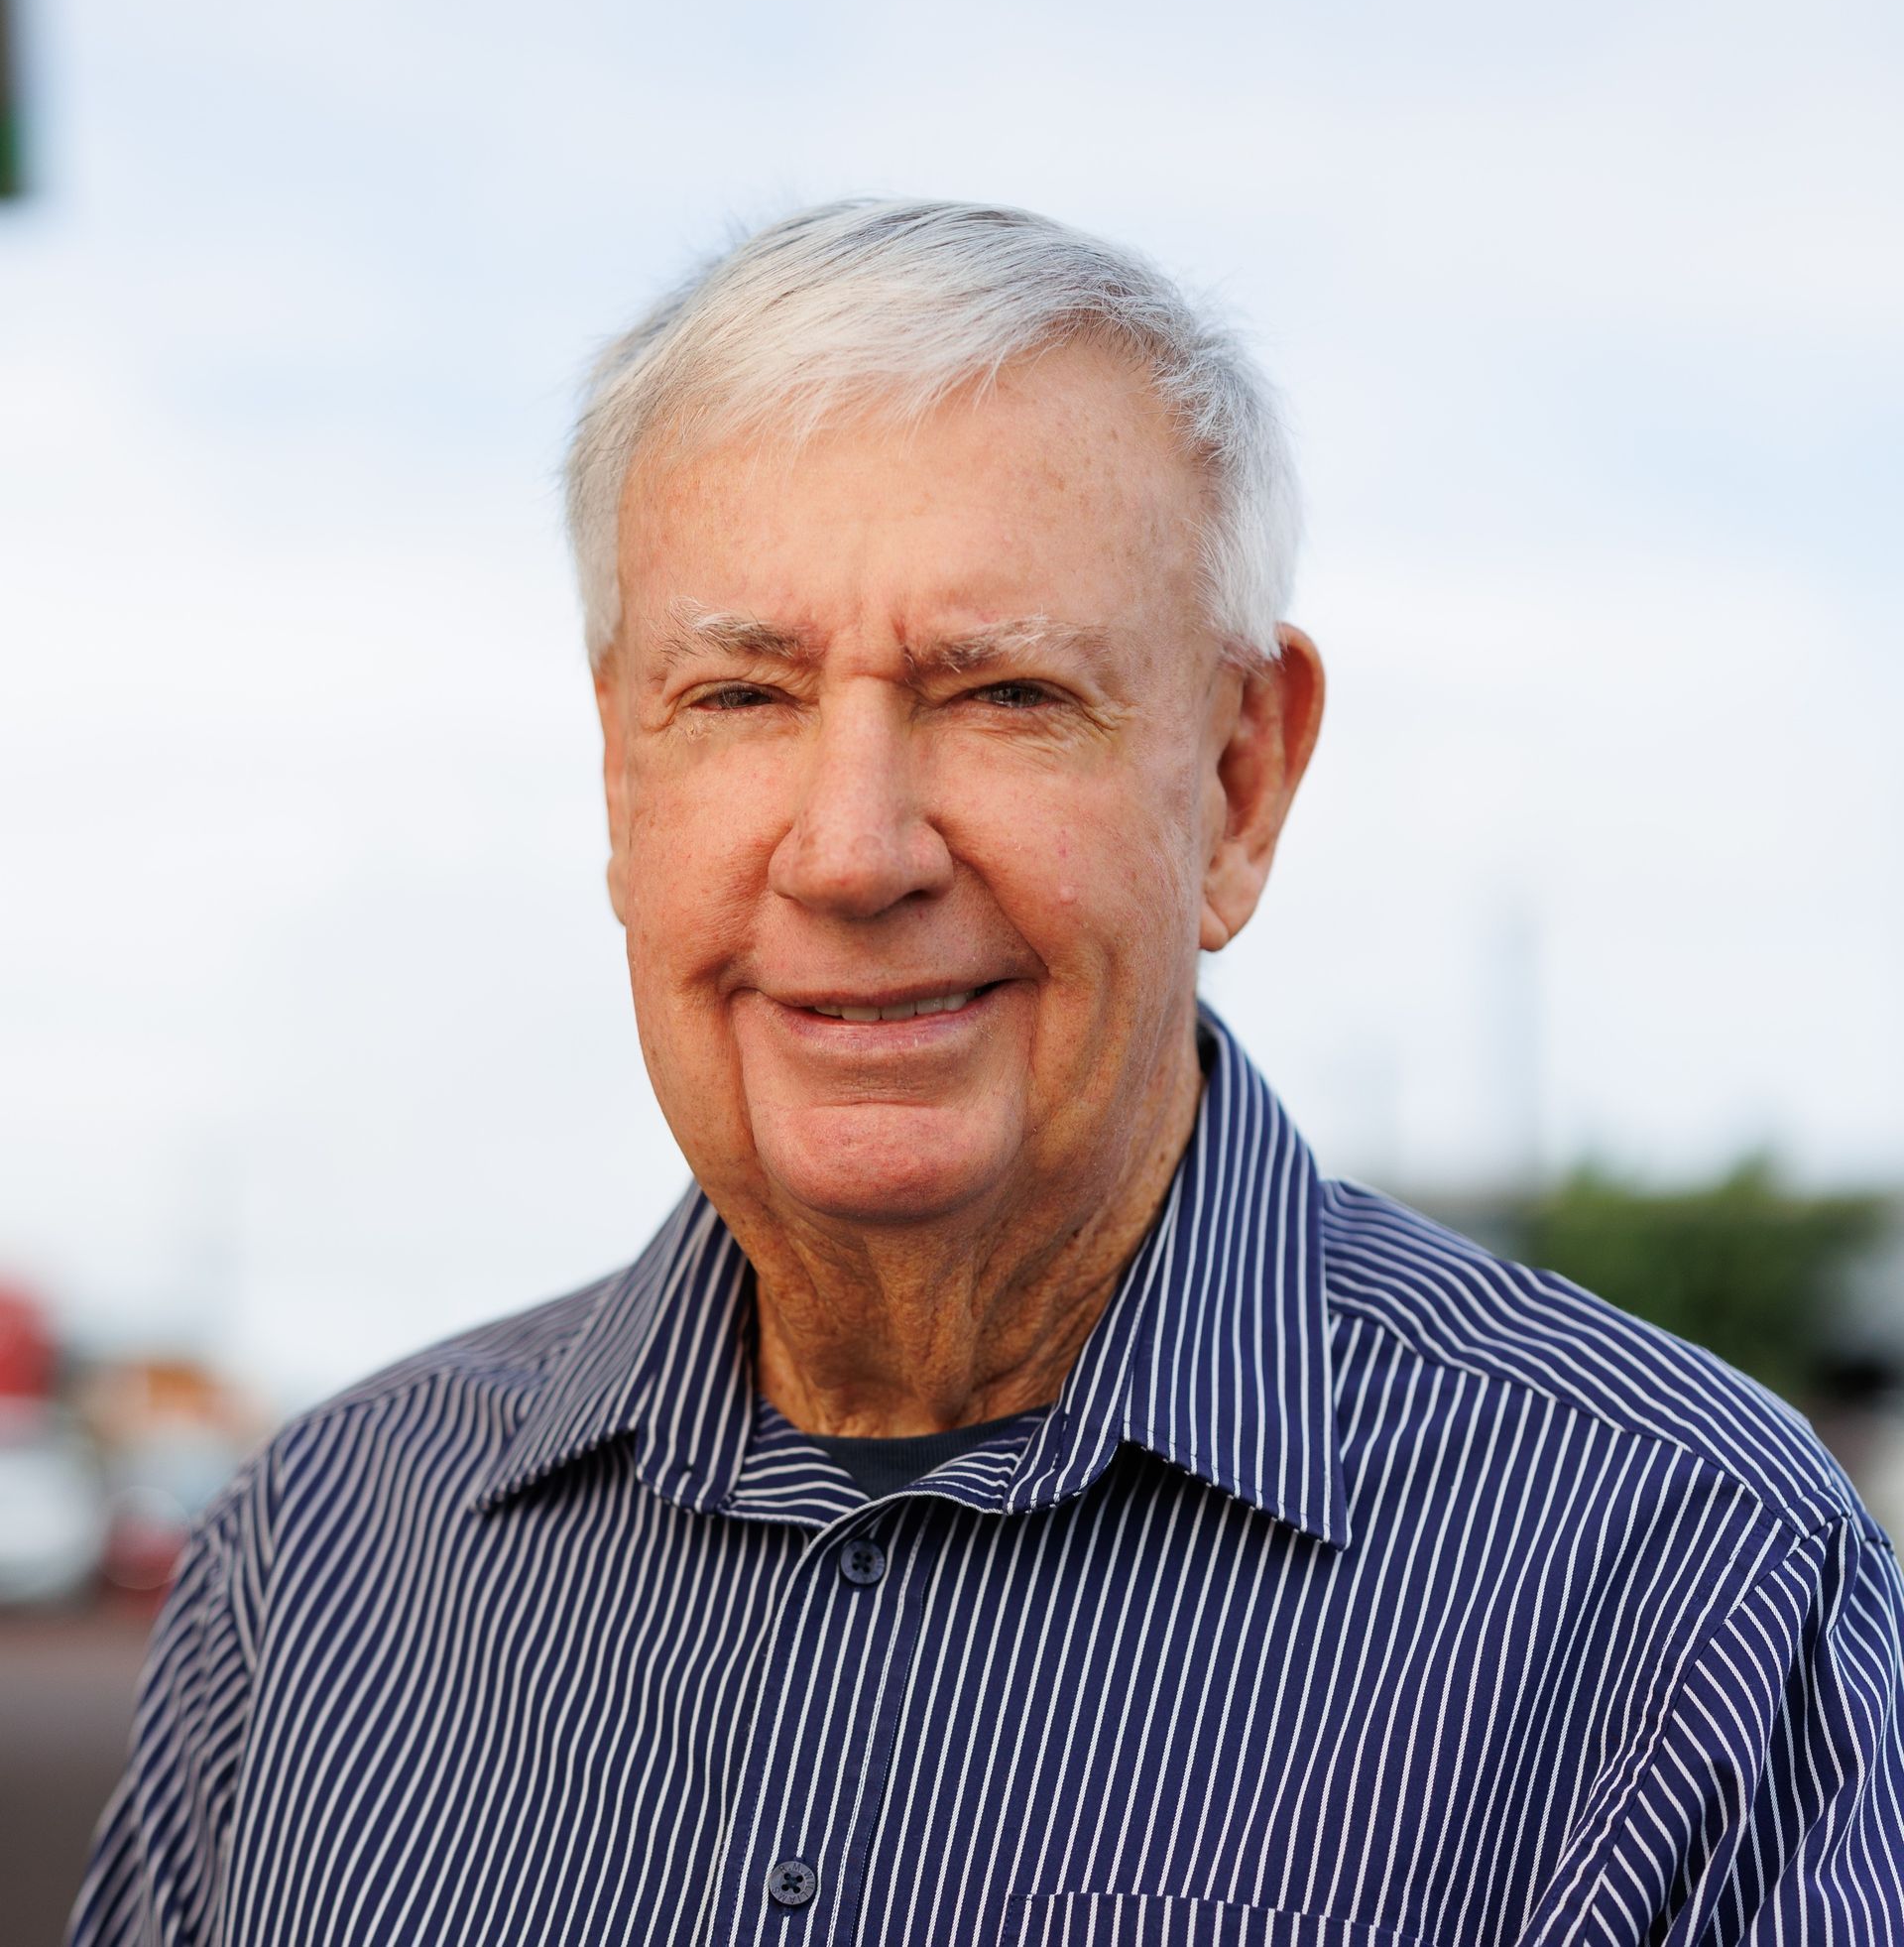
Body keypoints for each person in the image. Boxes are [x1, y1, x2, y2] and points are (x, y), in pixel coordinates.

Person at [71, 200, 1904, 1947]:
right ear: (621, 789)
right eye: (740, 699)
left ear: (1240, 786)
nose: (855, 852)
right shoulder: (317, 1565)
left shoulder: (1693, 1591)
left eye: (1002, 693)